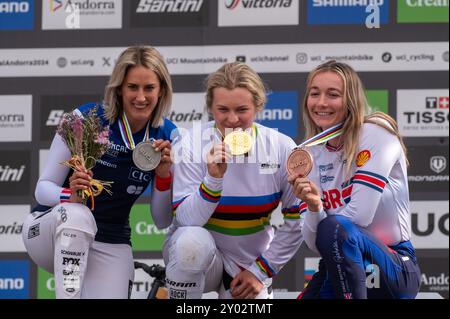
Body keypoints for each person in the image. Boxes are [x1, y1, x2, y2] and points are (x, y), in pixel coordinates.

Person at [22, 46, 177, 299]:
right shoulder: (85, 118)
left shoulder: (167, 136)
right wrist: (68, 195)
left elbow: (161, 220)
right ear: (118, 89)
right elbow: (43, 188)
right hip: (50, 230)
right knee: (77, 215)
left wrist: (163, 176)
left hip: (110, 239)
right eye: (132, 87)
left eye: (149, 88)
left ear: (161, 91)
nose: (141, 97)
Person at [164, 62, 303, 299]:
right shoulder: (191, 143)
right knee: (191, 243)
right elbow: (186, 220)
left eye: (242, 110)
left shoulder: (281, 147)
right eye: (223, 110)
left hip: (248, 265)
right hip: (198, 256)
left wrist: (261, 271)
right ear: (210, 108)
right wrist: (213, 180)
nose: (232, 119)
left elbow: (297, 220)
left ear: (258, 107)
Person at [290, 60, 421, 299]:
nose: (321, 103)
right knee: (333, 228)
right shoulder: (307, 154)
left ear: (350, 100)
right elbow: (313, 242)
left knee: (335, 226)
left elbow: (360, 216)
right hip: (337, 266)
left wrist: (327, 224)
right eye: (314, 93)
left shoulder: (375, 133)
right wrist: (314, 205)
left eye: (333, 94)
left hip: (393, 267)